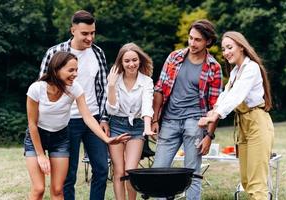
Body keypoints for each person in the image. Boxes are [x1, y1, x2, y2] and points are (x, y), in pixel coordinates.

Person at [25, 52, 129, 200]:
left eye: (76, 70)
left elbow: (87, 117)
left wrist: (106, 139)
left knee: (57, 190)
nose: (75, 74)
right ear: (56, 70)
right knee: (39, 189)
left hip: (60, 138)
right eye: (71, 70)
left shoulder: (74, 88)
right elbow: (32, 124)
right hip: (36, 137)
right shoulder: (37, 89)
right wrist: (41, 155)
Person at [39, 10, 110, 200]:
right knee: (68, 175)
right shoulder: (55, 53)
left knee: (102, 169)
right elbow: (43, 89)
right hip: (65, 121)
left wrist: (104, 117)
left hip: (93, 119)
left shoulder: (98, 53)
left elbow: (103, 88)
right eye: (85, 33)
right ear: (73, 30)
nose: (90, 37)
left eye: (93, 33)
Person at [151, 19, 223, 200]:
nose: (192, 43)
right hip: (169, 121)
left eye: (197, 40)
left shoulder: (214, 67)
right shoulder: (174, 57)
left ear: (208, 41)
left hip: (195, 123)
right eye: (190, 38)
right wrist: (154, 119)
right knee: (158, 171)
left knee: (193, 173)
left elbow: (216, 106)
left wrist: (209, 136)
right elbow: (159, 89)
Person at [198, 31, 274, 200]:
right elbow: (226, 95)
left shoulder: (251, 68)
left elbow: (237, 95)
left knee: (256, 184)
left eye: (229, 47)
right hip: (243, 126)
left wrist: (216, 114)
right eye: (224, 49)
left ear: (241, 46)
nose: (226, 52)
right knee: (247, 182)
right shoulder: (235, 73)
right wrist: (213, 110)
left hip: (257, 124)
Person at [106, 42, 156, 200]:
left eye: (134, 60)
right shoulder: (115, 80)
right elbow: (112, 109)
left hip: (137, 127)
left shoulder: (146, 81)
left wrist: (147, 128)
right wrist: (111, 85)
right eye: (127, 61)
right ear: (121, 62)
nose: (131, 64)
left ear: (140, 60)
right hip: (117, 125)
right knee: (119, 171)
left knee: (130, 171)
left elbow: (147, 106)